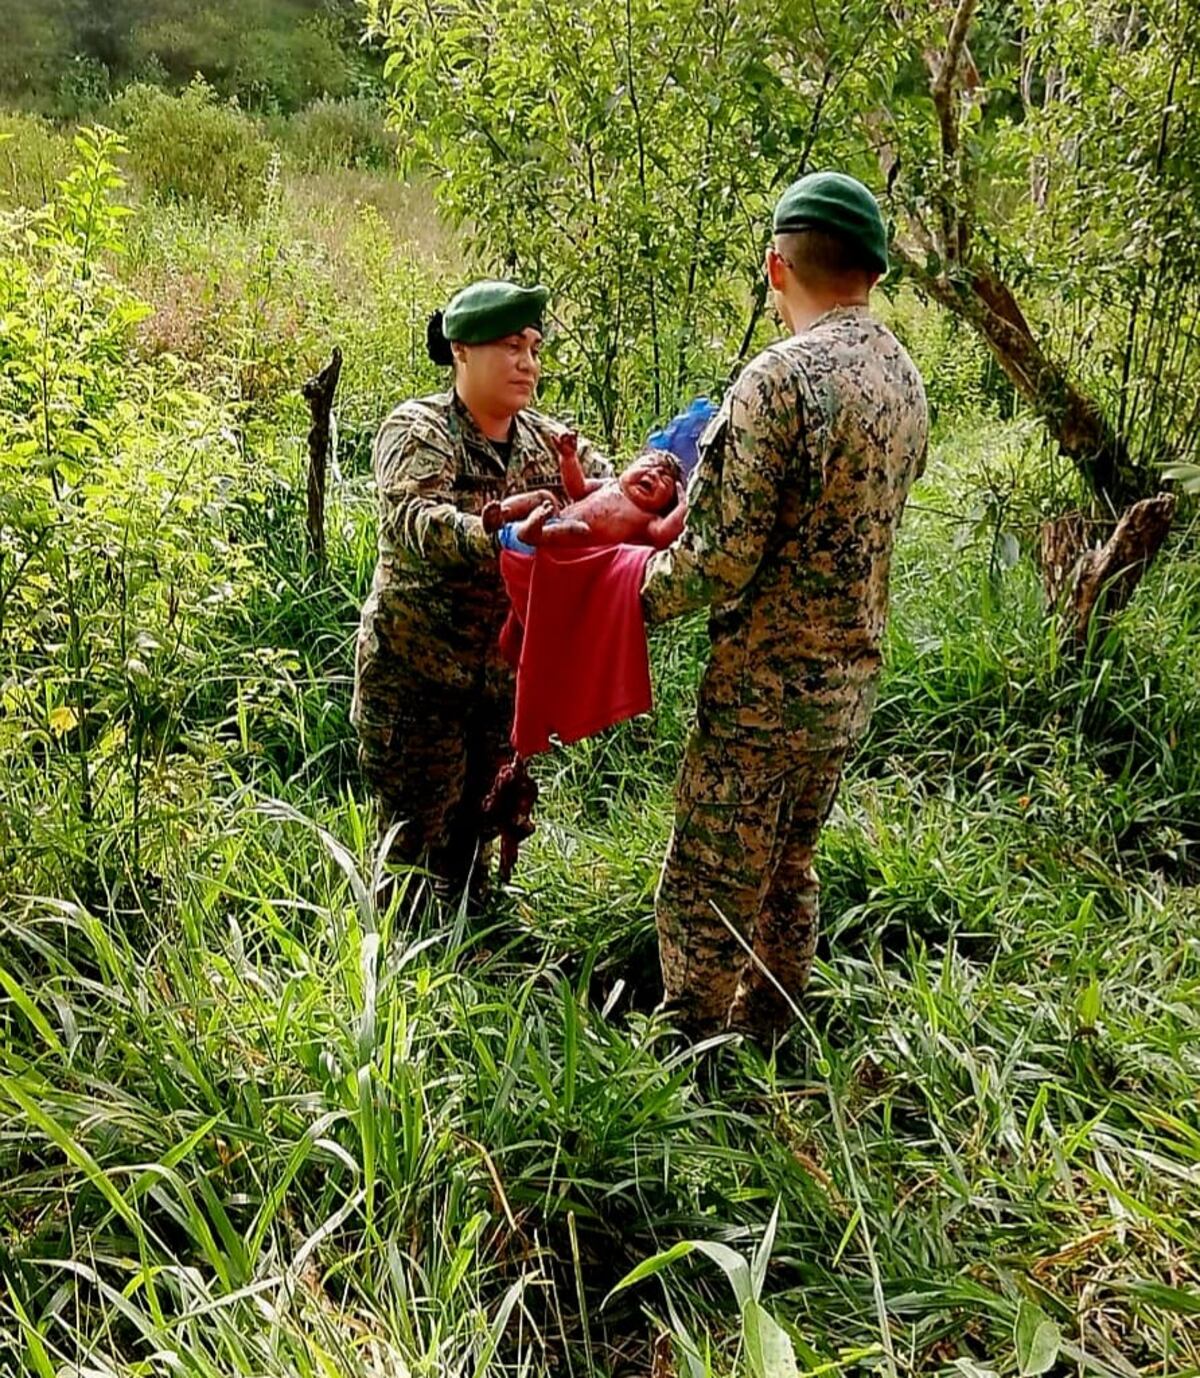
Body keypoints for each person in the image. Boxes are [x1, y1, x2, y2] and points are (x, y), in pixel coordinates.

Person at [640, 171, 929, 1038]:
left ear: (777, 267)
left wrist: (624, 600)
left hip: (762, 692)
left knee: (708, 881)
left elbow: (720, 561)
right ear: (874, 273)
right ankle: (774, 1026)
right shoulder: (904, 377)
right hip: (849, 686)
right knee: (792, 865)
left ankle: (690, 1058)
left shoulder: (779, 381)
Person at [351, 279, 610, 895]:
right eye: (509, 346)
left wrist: (668, 476)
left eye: (533, 348)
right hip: (417, 681)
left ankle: (477, 963)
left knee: (479, 840)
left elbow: (613, 494)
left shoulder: (551, 443)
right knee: (411, 851)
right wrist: (496, 535)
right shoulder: (419, 429)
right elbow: (416, 518)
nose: (527, 363)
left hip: (498, 685)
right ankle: (398, 981)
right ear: (461, 350)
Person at [485, 433, 686, 551]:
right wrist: (568, 457)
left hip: (567, 548)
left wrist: (685, 506)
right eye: (649, 465)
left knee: (577, 530)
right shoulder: (609, 484)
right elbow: (577, 488)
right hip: (550, 519)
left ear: (666, 504)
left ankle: (535, 534)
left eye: (664, 479)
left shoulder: (648, 519)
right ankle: (502, 513)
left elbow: (664, 535)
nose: (653, 475)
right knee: (545, 497)